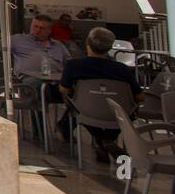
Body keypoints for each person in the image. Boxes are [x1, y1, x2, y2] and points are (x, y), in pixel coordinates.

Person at [60, 26, 140, 162]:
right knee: (126, 112)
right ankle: (107, 140)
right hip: (116, 113)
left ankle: (101, 140)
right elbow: (139, 97)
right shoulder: (123, 69)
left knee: (74, 105)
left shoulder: (73, 65)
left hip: (86, 110)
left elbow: (64, 89)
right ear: (110, 47)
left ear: (88, 43)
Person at [11, 14, 72, 139]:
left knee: (80, 91)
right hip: (28, 82)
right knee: (39, 87)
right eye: (35, 26)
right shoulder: (18, 40)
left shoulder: (59, 46)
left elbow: (70, 65)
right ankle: (40, 132)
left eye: (42, 28)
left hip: (57, 83)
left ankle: (64, 126)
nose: (37, 30)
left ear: (49, 30)